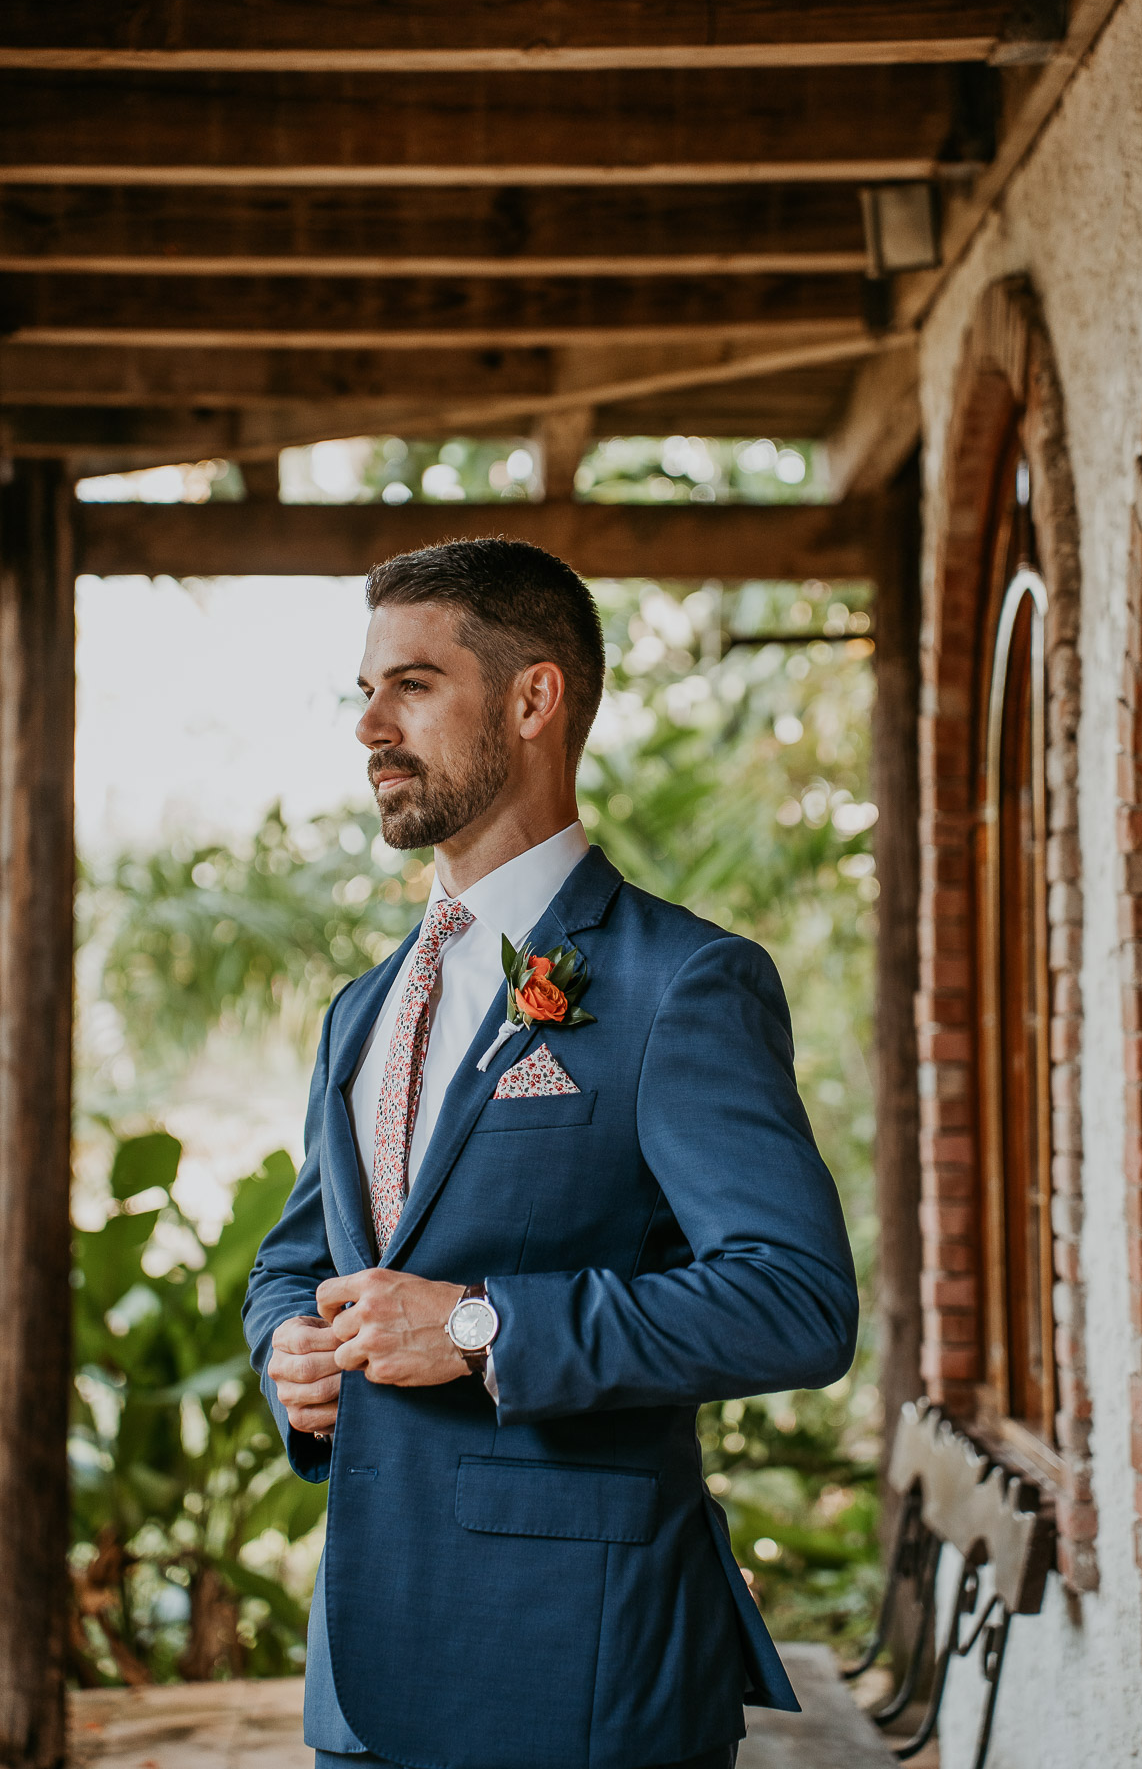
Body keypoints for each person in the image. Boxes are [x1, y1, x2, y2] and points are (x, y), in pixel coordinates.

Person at [243, 537, 858, 1769]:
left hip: (578, 1678)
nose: (370, 726)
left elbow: (796, 1304)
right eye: (364, 690)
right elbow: (294, 1261)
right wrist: (288, 1355)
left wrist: (479, 1328)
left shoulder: (683, 981)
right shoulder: (362, 1009)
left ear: (534, 700)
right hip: (357, 1688)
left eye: (412, 684)